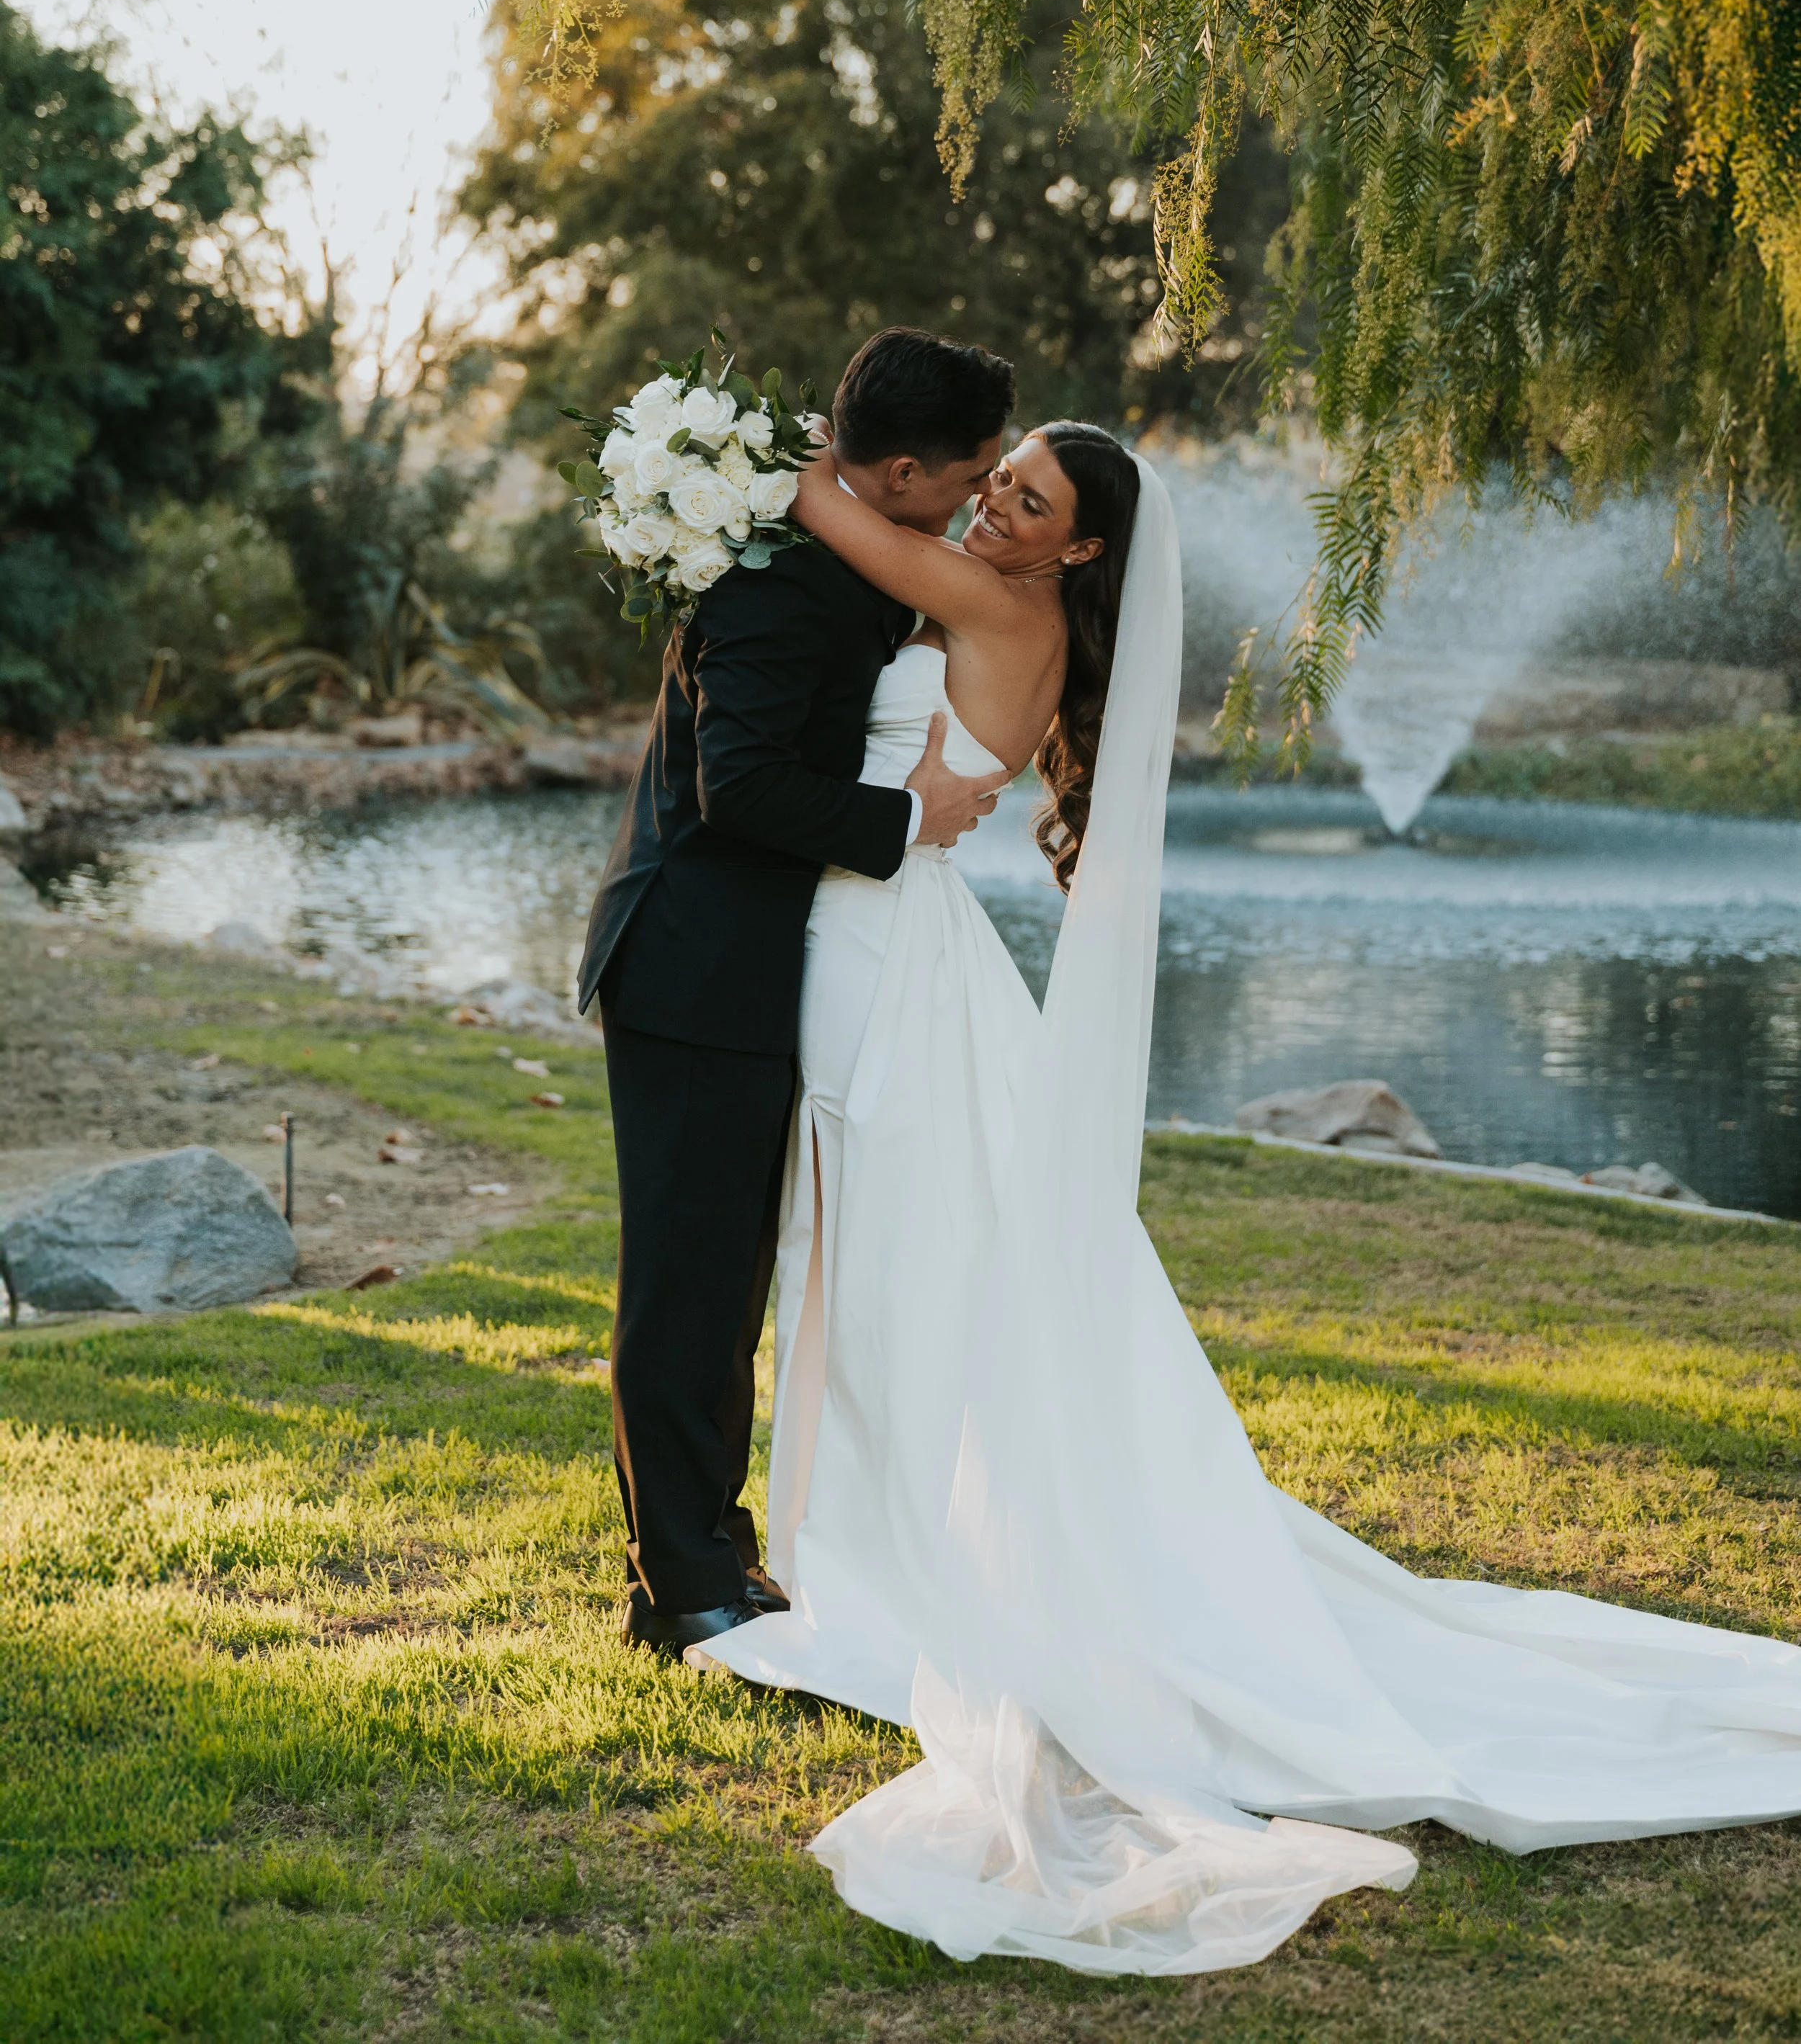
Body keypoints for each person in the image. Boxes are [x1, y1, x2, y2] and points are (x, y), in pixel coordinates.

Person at [694, 425, 1801, 1979]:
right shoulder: (974, 594)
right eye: (997, 478)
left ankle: (901, 1560)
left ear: (1079, 554)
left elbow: (831, 512)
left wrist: (724, 453)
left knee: (901, 1261)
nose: (995, 504)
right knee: (889, 1257)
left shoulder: (986, 602)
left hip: (885, 960)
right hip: (880, 944)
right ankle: (867, 1542)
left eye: (1028, 499)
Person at [578, 326, 1014, 1659]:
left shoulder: (835, 556)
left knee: (723, 1275)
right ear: (894, 469)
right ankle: (682, 1587)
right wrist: (910, 815)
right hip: (695, 968)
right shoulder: (782, 590)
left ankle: (709, 1556)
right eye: (968, 475)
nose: (975, 499)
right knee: (687, 1285)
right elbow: (742, 785)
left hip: (740, 968)